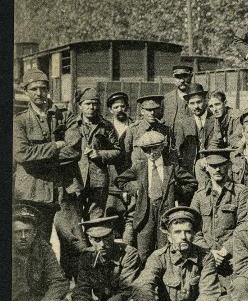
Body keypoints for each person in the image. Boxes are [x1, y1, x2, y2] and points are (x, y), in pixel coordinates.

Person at [133, 207, 234, 301]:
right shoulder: (158, 257)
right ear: (169, 236)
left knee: (229, 300)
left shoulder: (205, 257)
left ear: (193, 234)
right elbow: (143, 284)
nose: (183, 236)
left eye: (188, 232)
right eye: (177, 232)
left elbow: (209, 291)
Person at [13, 68, 78, 242]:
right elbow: (22, 154)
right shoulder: (19, 121)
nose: (39, 93)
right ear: (26, 91)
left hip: (60, 190)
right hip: (31, 193)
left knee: (68, 241)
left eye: (43, 88)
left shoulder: (64, 115)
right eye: (34, 89)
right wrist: (55, 145)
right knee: (30, 242)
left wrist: (38, 157)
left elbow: (74, 150)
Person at [114, 131, 197, 261]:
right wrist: (135, 189)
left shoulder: (171, 167)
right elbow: (120, 180)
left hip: (165, 213)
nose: (151, 153)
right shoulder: (139, 167)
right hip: (145, 214)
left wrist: (177, 191)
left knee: (165, 249)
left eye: (155, 148)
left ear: (162, 147)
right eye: (146, 150)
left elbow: (192, 183)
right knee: (143, 251)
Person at [59, 215, 141, 301]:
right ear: (90, 239)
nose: (102, 244)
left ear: (114, 235)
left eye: (107, 238)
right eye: (97, 240)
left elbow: (125, 293)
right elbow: (81, 290)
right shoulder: (87, 256)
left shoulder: (129, 254)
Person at [12, 203, 74, 301]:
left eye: (27, 231)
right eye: (18, 232)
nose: (23, 236)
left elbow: (59, 280)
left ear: (34, 233)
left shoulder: (43, 248)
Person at [190, 148, 248, 284]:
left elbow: (244, 225)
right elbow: (193, 229)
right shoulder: (199, 196)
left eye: (221, 165)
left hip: (232, 256)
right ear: (207, 168)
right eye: (213, 166)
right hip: (205, 256)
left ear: (228, 165)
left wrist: (225, 250)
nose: (217, 170)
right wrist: (209, 252)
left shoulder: (240, 193)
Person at [66, 87, 122, 219]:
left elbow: (118, 151)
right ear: (80, 106)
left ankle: (93, 240)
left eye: (95, 103)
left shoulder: (106, 126)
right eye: (88, 104)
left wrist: (100, 154)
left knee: (96, 218)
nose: (92, 107)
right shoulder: (71, 125)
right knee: (74, 217)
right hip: (75, 178)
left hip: (98, 180)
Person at [121, 94, 173, 171]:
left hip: (159, 171)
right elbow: (126, 154)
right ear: (142, 111)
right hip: (139, 172)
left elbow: (168, 154)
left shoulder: (165, 129)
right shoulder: (133, 129)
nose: (152, 113)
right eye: (148, 110)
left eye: (155, 109)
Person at [175, 83, 215, 175]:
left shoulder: (215, 120)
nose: (196, 106)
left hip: (212, 168)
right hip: (191, 171)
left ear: (205, 101)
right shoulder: (183, 124)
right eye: (192, 103)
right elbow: (179, 150)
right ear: (188, 105)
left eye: (199, 102)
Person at [163, 64, 194, 137]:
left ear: (191, 76)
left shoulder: (197, 97)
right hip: (171, 142)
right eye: (178, 77)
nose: (182, 80)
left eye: (185, 76)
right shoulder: (166, 98)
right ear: (173, 78)